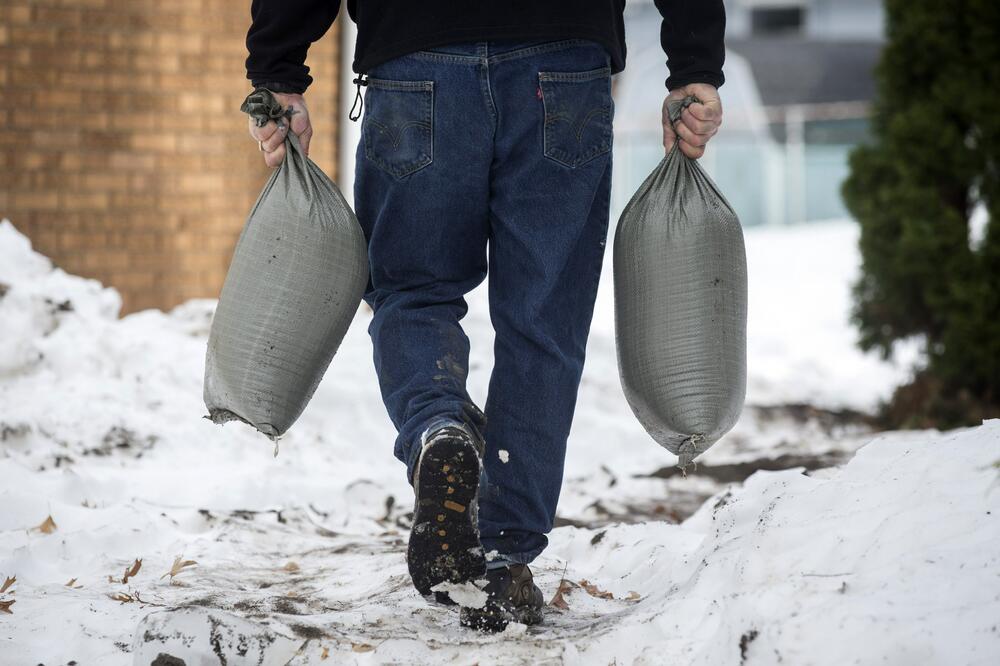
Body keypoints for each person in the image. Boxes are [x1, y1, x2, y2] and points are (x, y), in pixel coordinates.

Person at [245, 0, 725, 632]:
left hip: (415, 58)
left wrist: (277, 69)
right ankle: (505, 559)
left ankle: (436, 428)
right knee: (544, 318)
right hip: (564, 60)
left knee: (413, 291)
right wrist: (695, 63)